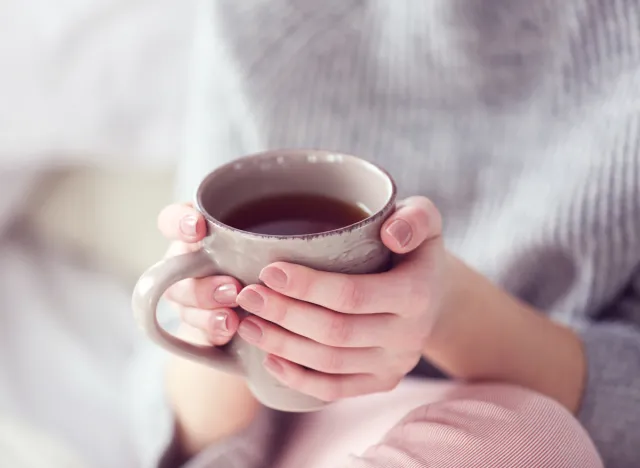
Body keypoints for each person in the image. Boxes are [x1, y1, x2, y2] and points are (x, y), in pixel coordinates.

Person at [130, 1, 640, 467]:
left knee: (527, 444)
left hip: (538, 434)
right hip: (285, 437)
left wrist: (449, 311)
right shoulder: (257, 18)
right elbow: (172, 424)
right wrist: (212, 322)